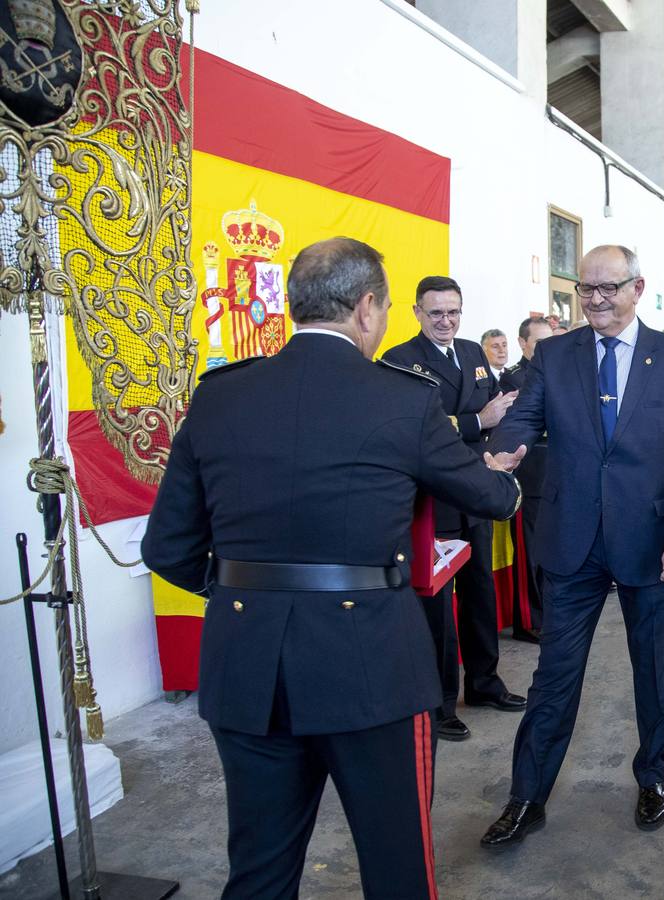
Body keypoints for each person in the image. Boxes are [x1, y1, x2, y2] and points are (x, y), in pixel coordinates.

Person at [142, 237, 525, 898]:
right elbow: (489, 499)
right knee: (397, 869)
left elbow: (167, 548)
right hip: (370, 663)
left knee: (259, 873)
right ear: (368, 308)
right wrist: (504, 476)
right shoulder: (404, 399)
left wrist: (250, 592)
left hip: (247, 664)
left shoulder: (219, 396)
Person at [482, 244, 664, 846]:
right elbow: (524, 417)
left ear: (637, 288)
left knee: (657, 670)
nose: (595, 299)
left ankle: (653, 776)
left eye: (608, 288)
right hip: (573, 542)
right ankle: (527, 796)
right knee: (554, 676)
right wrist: (507, 446)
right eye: (586, 289)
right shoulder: (556, 355)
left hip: (654, 542)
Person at [383, 277, 526, 743]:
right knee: (438, 610)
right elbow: (413, 430)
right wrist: (476, 422)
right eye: (436, 313)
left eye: (454, 312)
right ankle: (440, 703)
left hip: (476, 489)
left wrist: (494, 444)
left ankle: (484, 682)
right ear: (417, 313)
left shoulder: (471, 352)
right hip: (432, 500)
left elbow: (496, 413)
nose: (446, 321)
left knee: (481, 592)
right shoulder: (400, 361)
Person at [498, 316, 556, 644]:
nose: (546, 349)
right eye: (539, 342)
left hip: (556, 471)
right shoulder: (513, 379)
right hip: (530, 473)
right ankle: (528, 619)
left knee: (551, 549)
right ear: (522, 344)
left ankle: (548, 613)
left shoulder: (554, 371)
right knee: (529, 552)